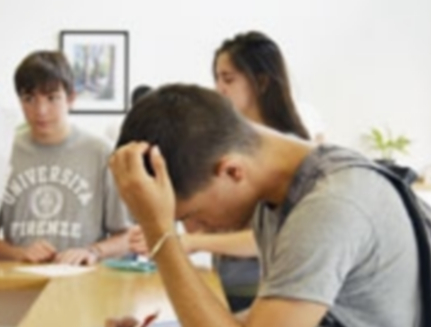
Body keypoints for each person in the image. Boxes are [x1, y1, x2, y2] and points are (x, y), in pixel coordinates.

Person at [104, 84, 421, 327]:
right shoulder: (281, 195)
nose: (193, 230)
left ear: (232, 171)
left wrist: (160, 235)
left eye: (188, 216)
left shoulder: (332, 206)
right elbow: (276, 325)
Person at [129, 31, 314, 310]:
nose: (219, 89)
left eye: (228, 79)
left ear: (261, 82)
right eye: (216, 79)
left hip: (267, 292)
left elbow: (272, 238)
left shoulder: (290, 158)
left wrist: (191, 242)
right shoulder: (222, 144)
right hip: (226, 280)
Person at [0, 51, 131, 265]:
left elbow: (128, 237)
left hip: (83, 279)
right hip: (19, 280)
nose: (41, 110)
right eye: (29, 99)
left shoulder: (102, 153)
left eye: (52, 98)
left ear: (71, 98)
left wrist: (93, 251)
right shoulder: (2, 152)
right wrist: (20, 253)